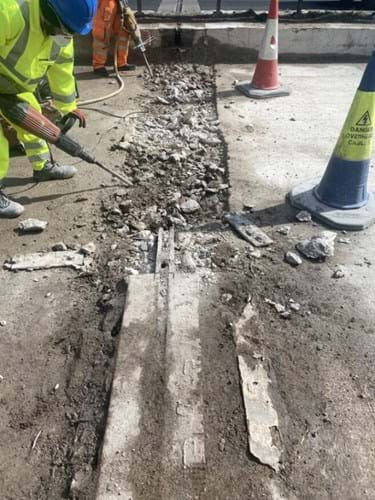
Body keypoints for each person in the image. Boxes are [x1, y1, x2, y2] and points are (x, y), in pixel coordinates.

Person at [0, 0, 97, 219]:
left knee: (37, 122)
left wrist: (68, 106)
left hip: (14, 86)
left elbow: (62, 66)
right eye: (62, 27)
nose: (64, 35)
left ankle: (43, 168)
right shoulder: (9, 11)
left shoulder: (63, 30)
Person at [92, 0, 137, 77]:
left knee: (124, 30)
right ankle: (98, 65)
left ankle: (121, 63)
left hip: (120, 3)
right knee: (103, 32)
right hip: (106, 2)